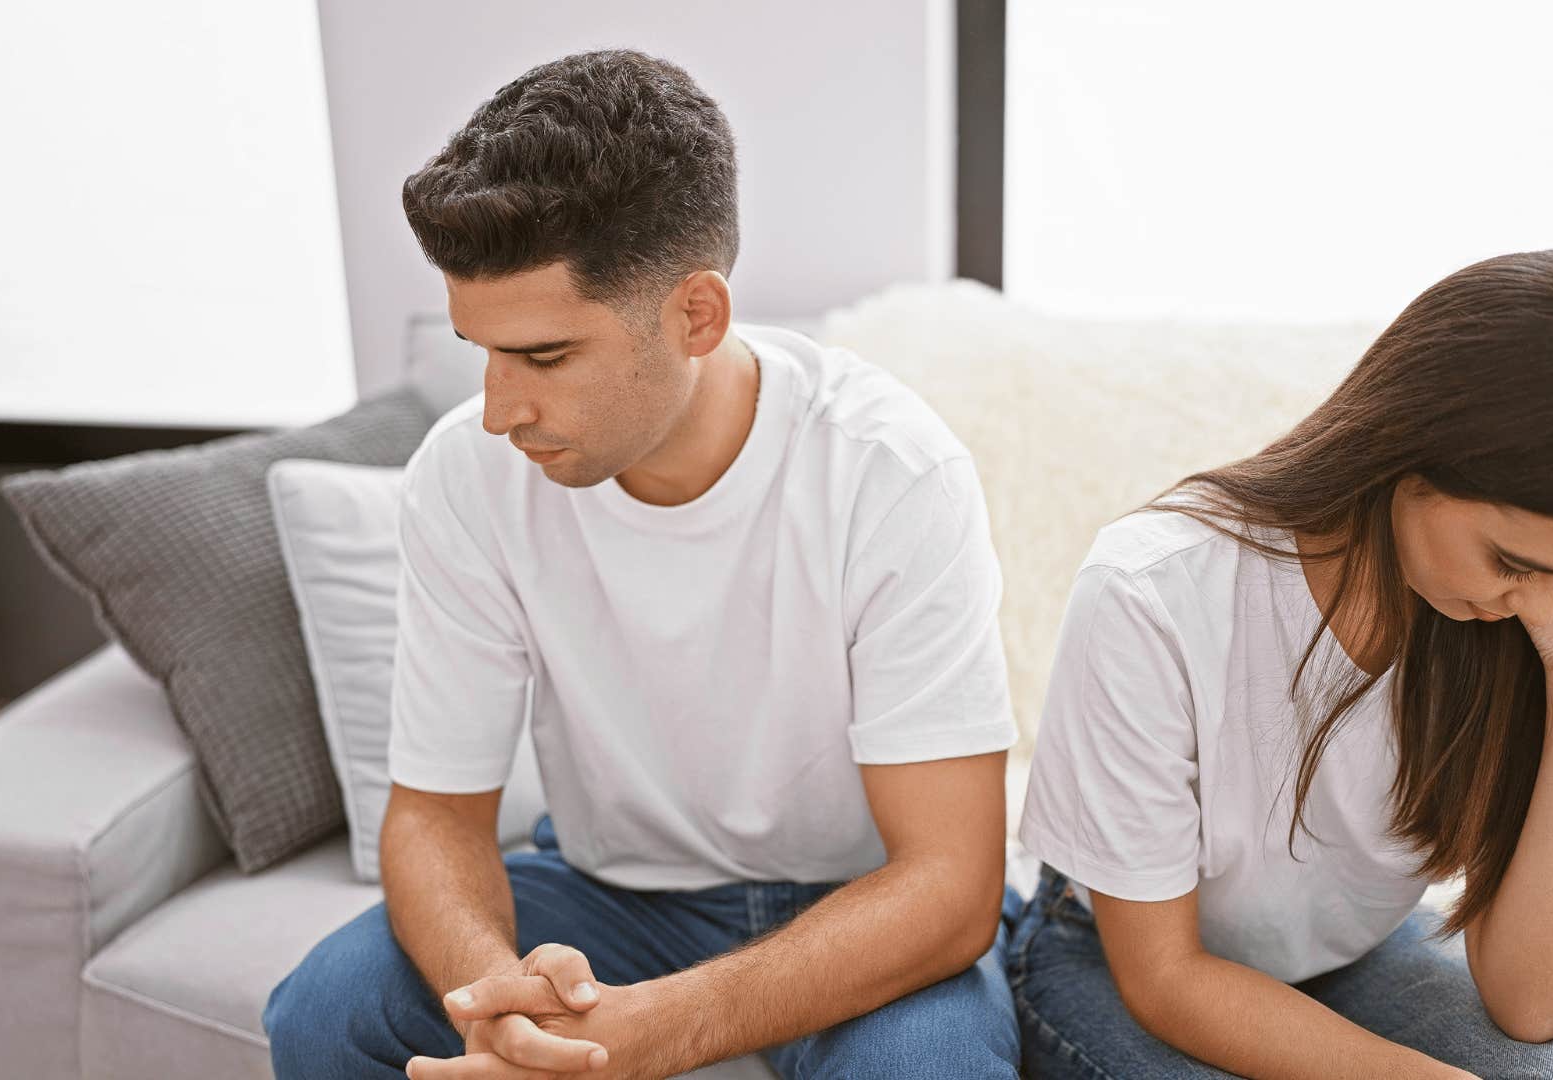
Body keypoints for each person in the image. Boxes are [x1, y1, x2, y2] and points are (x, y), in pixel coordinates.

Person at [262, 49, 1022, 1079]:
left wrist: (661, 1029)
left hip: (857, 901)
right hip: (603, 893)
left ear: (696, 316)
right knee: (327, 1010)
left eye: (543, 357)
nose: (497, 409)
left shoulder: (889, 471)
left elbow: (950, 883)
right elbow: (436, 816)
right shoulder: (467, 473)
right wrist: (498, 1000)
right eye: (481, 351)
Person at [1010, 249, 1553, 1079]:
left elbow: (1536, 1004)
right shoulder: (1150, 593)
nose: (1542, 608)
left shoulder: (1519, 620)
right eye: (1514, 563)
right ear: (1413, 454)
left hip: (1349, 956)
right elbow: (1165, 978)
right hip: (1122, 963)